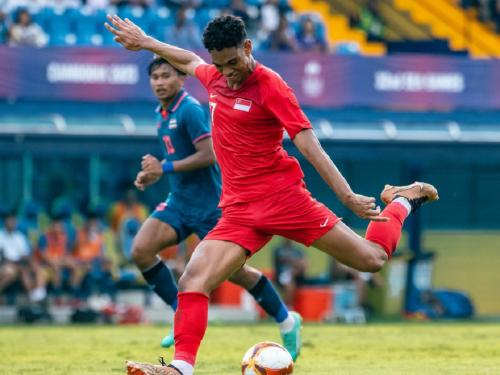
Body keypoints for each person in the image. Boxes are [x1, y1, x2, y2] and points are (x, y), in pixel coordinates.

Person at [104, 14, 439, 375]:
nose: (228, 72)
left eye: (233, 62)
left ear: (248, 48)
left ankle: (403, 199)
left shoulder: (270, 85)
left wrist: (346, 196)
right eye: (221, 64)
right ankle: (179, 369)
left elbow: (309, 145)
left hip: (285, 200)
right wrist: (146, 41)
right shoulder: (215, 76)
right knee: (193, 279)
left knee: (371, 259)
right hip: (238, 210)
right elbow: (188, 60)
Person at [128, 56, 301, 353]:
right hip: (179, 204)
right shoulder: (162, 112)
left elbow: (209, 155)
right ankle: (177, 313)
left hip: (211, 208)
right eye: (154, 77)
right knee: (141, 250)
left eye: (166, 76)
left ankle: (286, 320)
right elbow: (176, 158)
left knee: (237, 274)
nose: (159, 82)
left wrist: (164, 168)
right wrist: (154, 173)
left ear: (182, 78)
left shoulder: (190, 110)